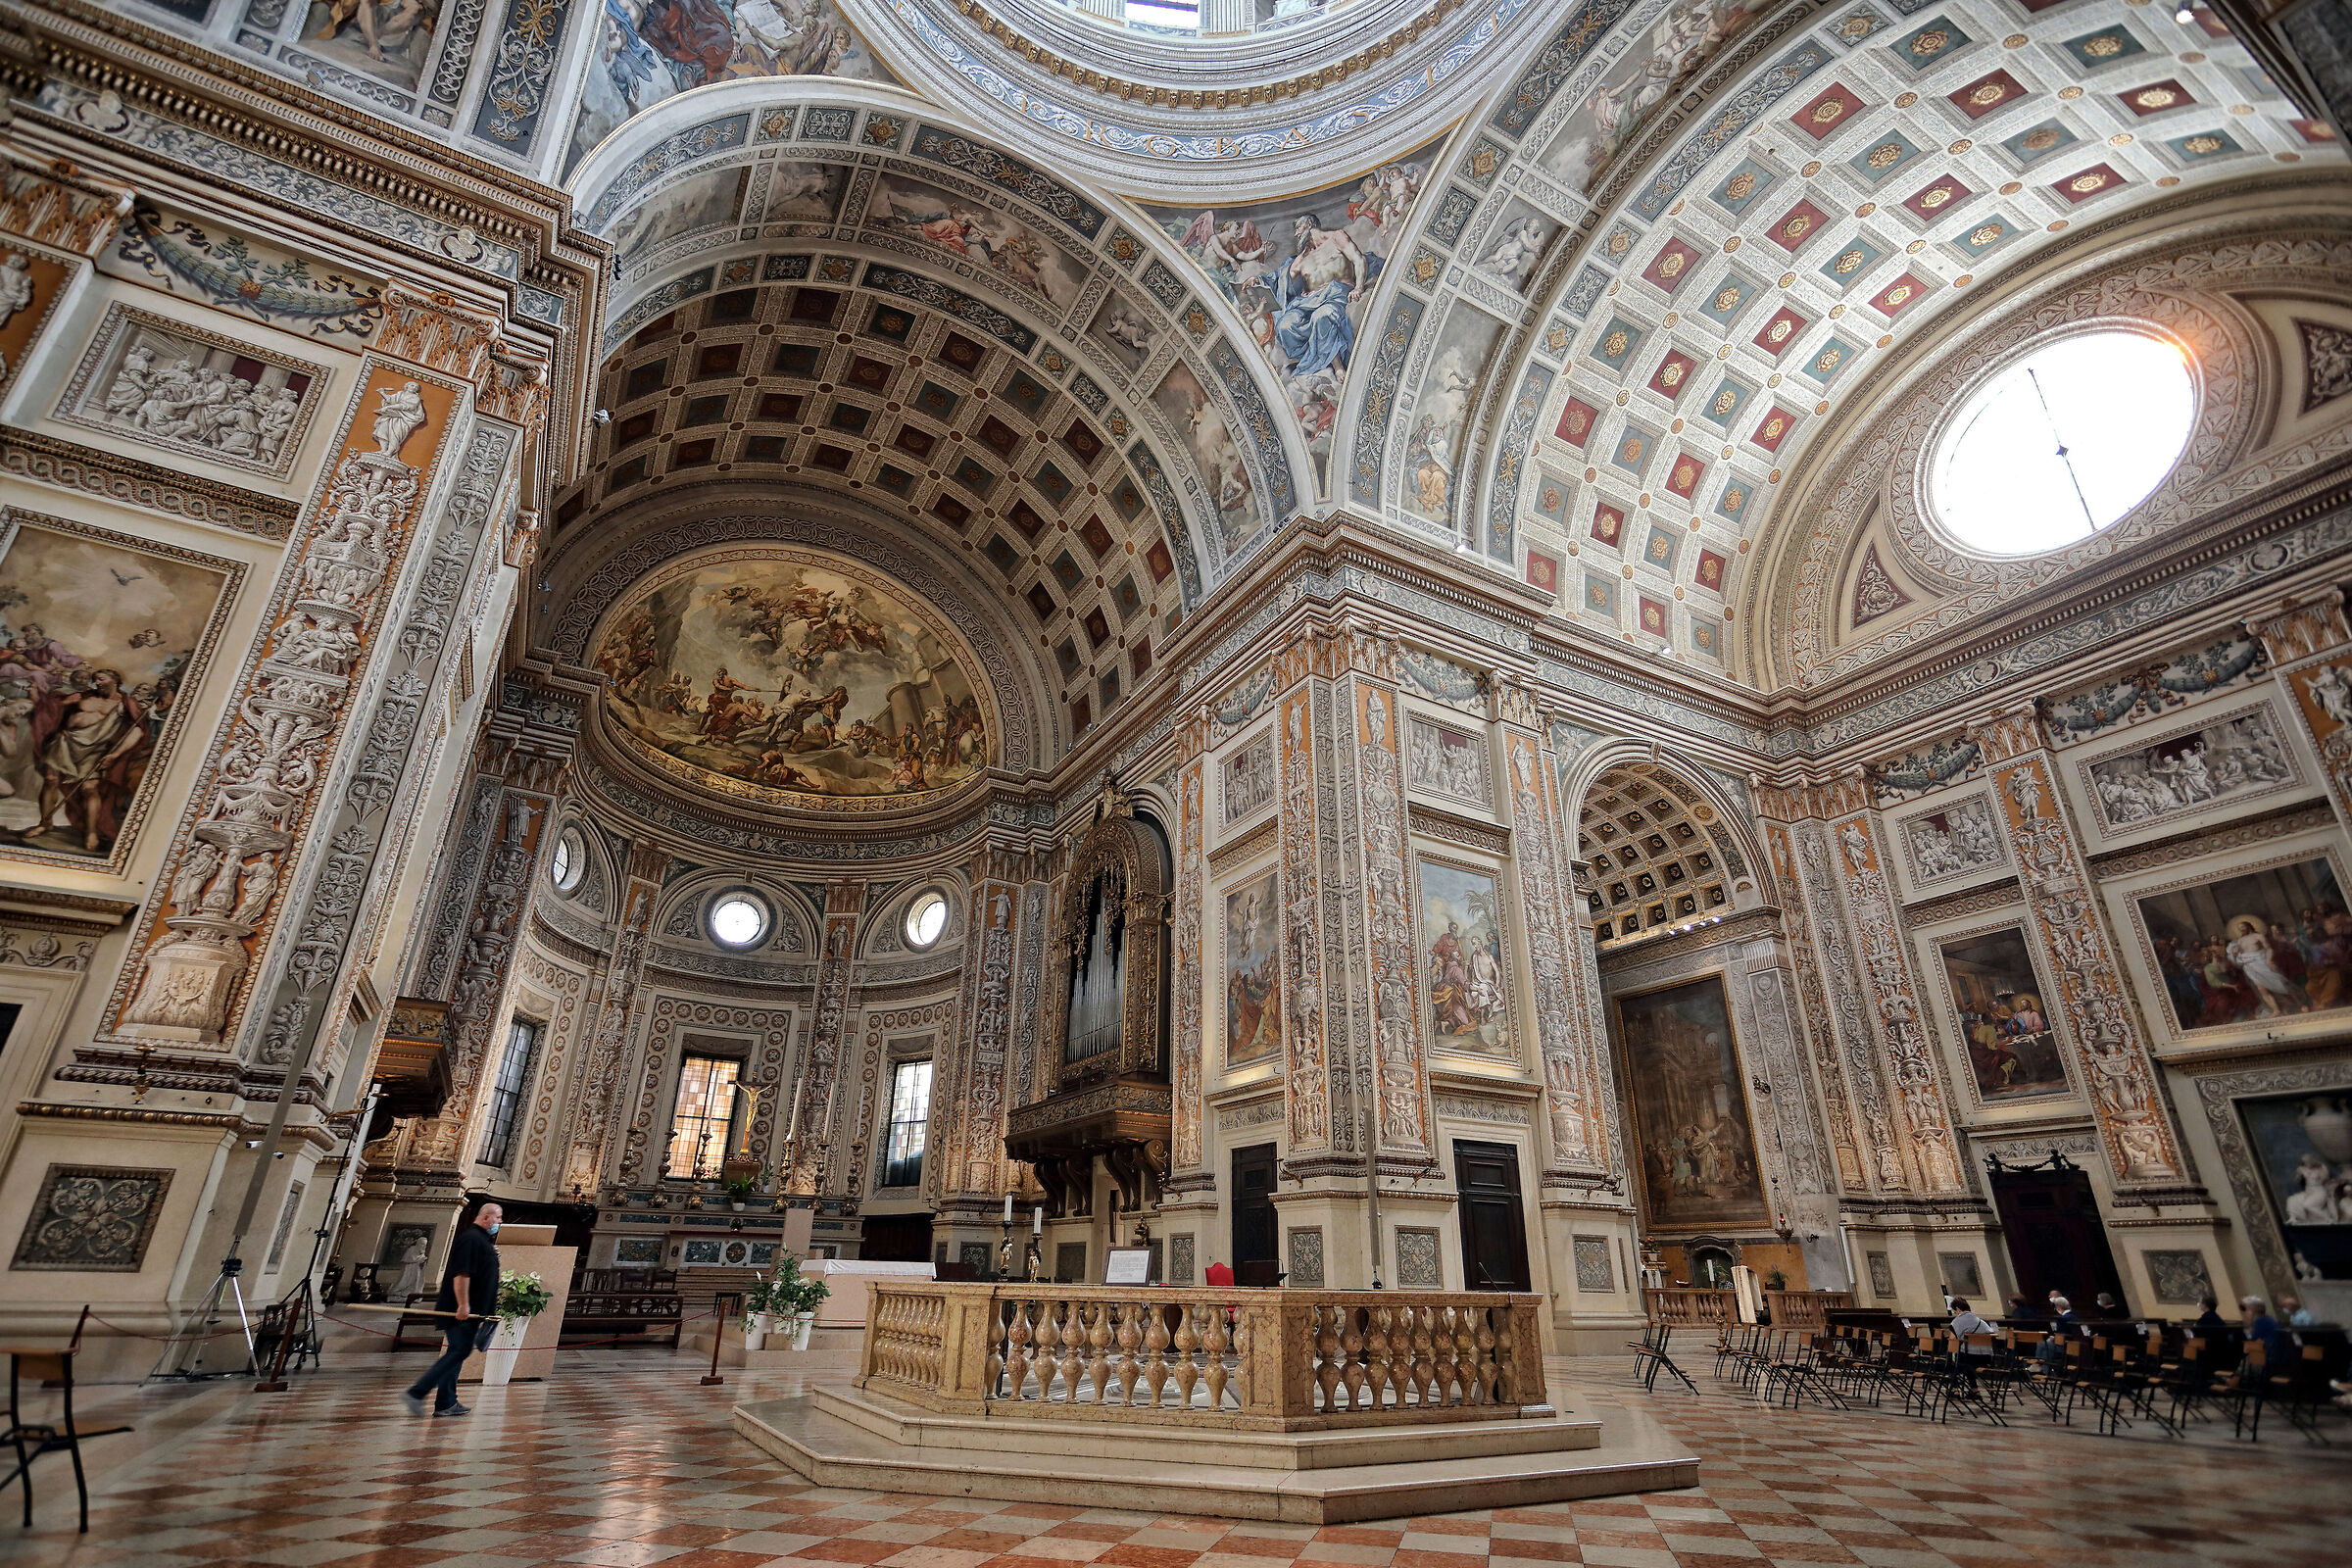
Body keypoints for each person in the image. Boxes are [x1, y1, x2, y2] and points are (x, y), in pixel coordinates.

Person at [402, 1201, 502, 1418]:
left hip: (471, 1310)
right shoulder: (471, 1239)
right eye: (498, 1218)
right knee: (459, 1351)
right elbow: (462, 1275)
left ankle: (446, 1402)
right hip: (461, 1310)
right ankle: (416, 1393)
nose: (500, 1223)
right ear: (486, 1217)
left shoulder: (482, 1240)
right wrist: (463, 1304)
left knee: (457, 1352)